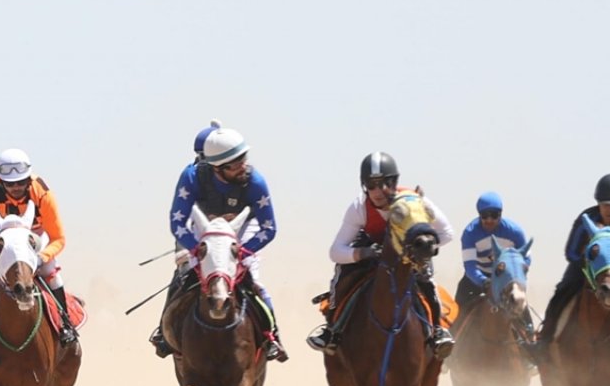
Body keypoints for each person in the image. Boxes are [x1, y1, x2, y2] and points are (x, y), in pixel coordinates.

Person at [149, 126, 289, 362]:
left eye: (242, 159)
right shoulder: (191, 177)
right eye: (234, 164)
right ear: (217, 167)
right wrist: (196, 249)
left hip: (243, 230)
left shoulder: (255, 182)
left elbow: (269, 228)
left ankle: (272, 336)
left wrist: (241, 252)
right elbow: (178, 222)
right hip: (203, 230)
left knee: (254, 281)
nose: (242, 166)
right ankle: (164, 332)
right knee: (183, 274)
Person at [305, 152, 455, 358]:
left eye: (383, 183)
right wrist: (363, 253)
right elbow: (336, 251)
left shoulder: (415, 201)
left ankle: (437, 331)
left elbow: (447, 233)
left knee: (426, 280)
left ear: (394, 183)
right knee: (343, 272)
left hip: (409, 255)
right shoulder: (359, 207)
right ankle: (332, 329)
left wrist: (418, 249)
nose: (376, 191)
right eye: (371, 184)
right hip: (373, 255)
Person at [534, 173, 610, 376]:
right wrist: (594, 264)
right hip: (586, 266)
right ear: (598, 203)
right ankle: (544, 339)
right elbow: (571, 252)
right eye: (606, 204)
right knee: (563, 289)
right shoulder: (586, 220)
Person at [0, 148, 78, 346]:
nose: (16, 188)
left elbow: (59, 238)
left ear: (28, 179)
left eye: (21, 182)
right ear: (1, 183)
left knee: (52, 274)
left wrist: (42, 257)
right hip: (4, 241)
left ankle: (65, 324)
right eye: (10, 184)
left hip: (35, 240)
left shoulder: (43, 193)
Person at [452, 192, 534, 333]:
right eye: (485, 216)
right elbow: (470, 266)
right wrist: (484, 281)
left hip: (506, 279)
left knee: (520, 304)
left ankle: (531, 338)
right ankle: (452, 341)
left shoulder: (515, 231)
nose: (489, 220)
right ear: (479, 215)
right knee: (458, 309)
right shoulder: (470, 233)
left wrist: (515, 275)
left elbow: (526, 259)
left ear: (500, 214)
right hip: (477, 279)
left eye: (494, 215)